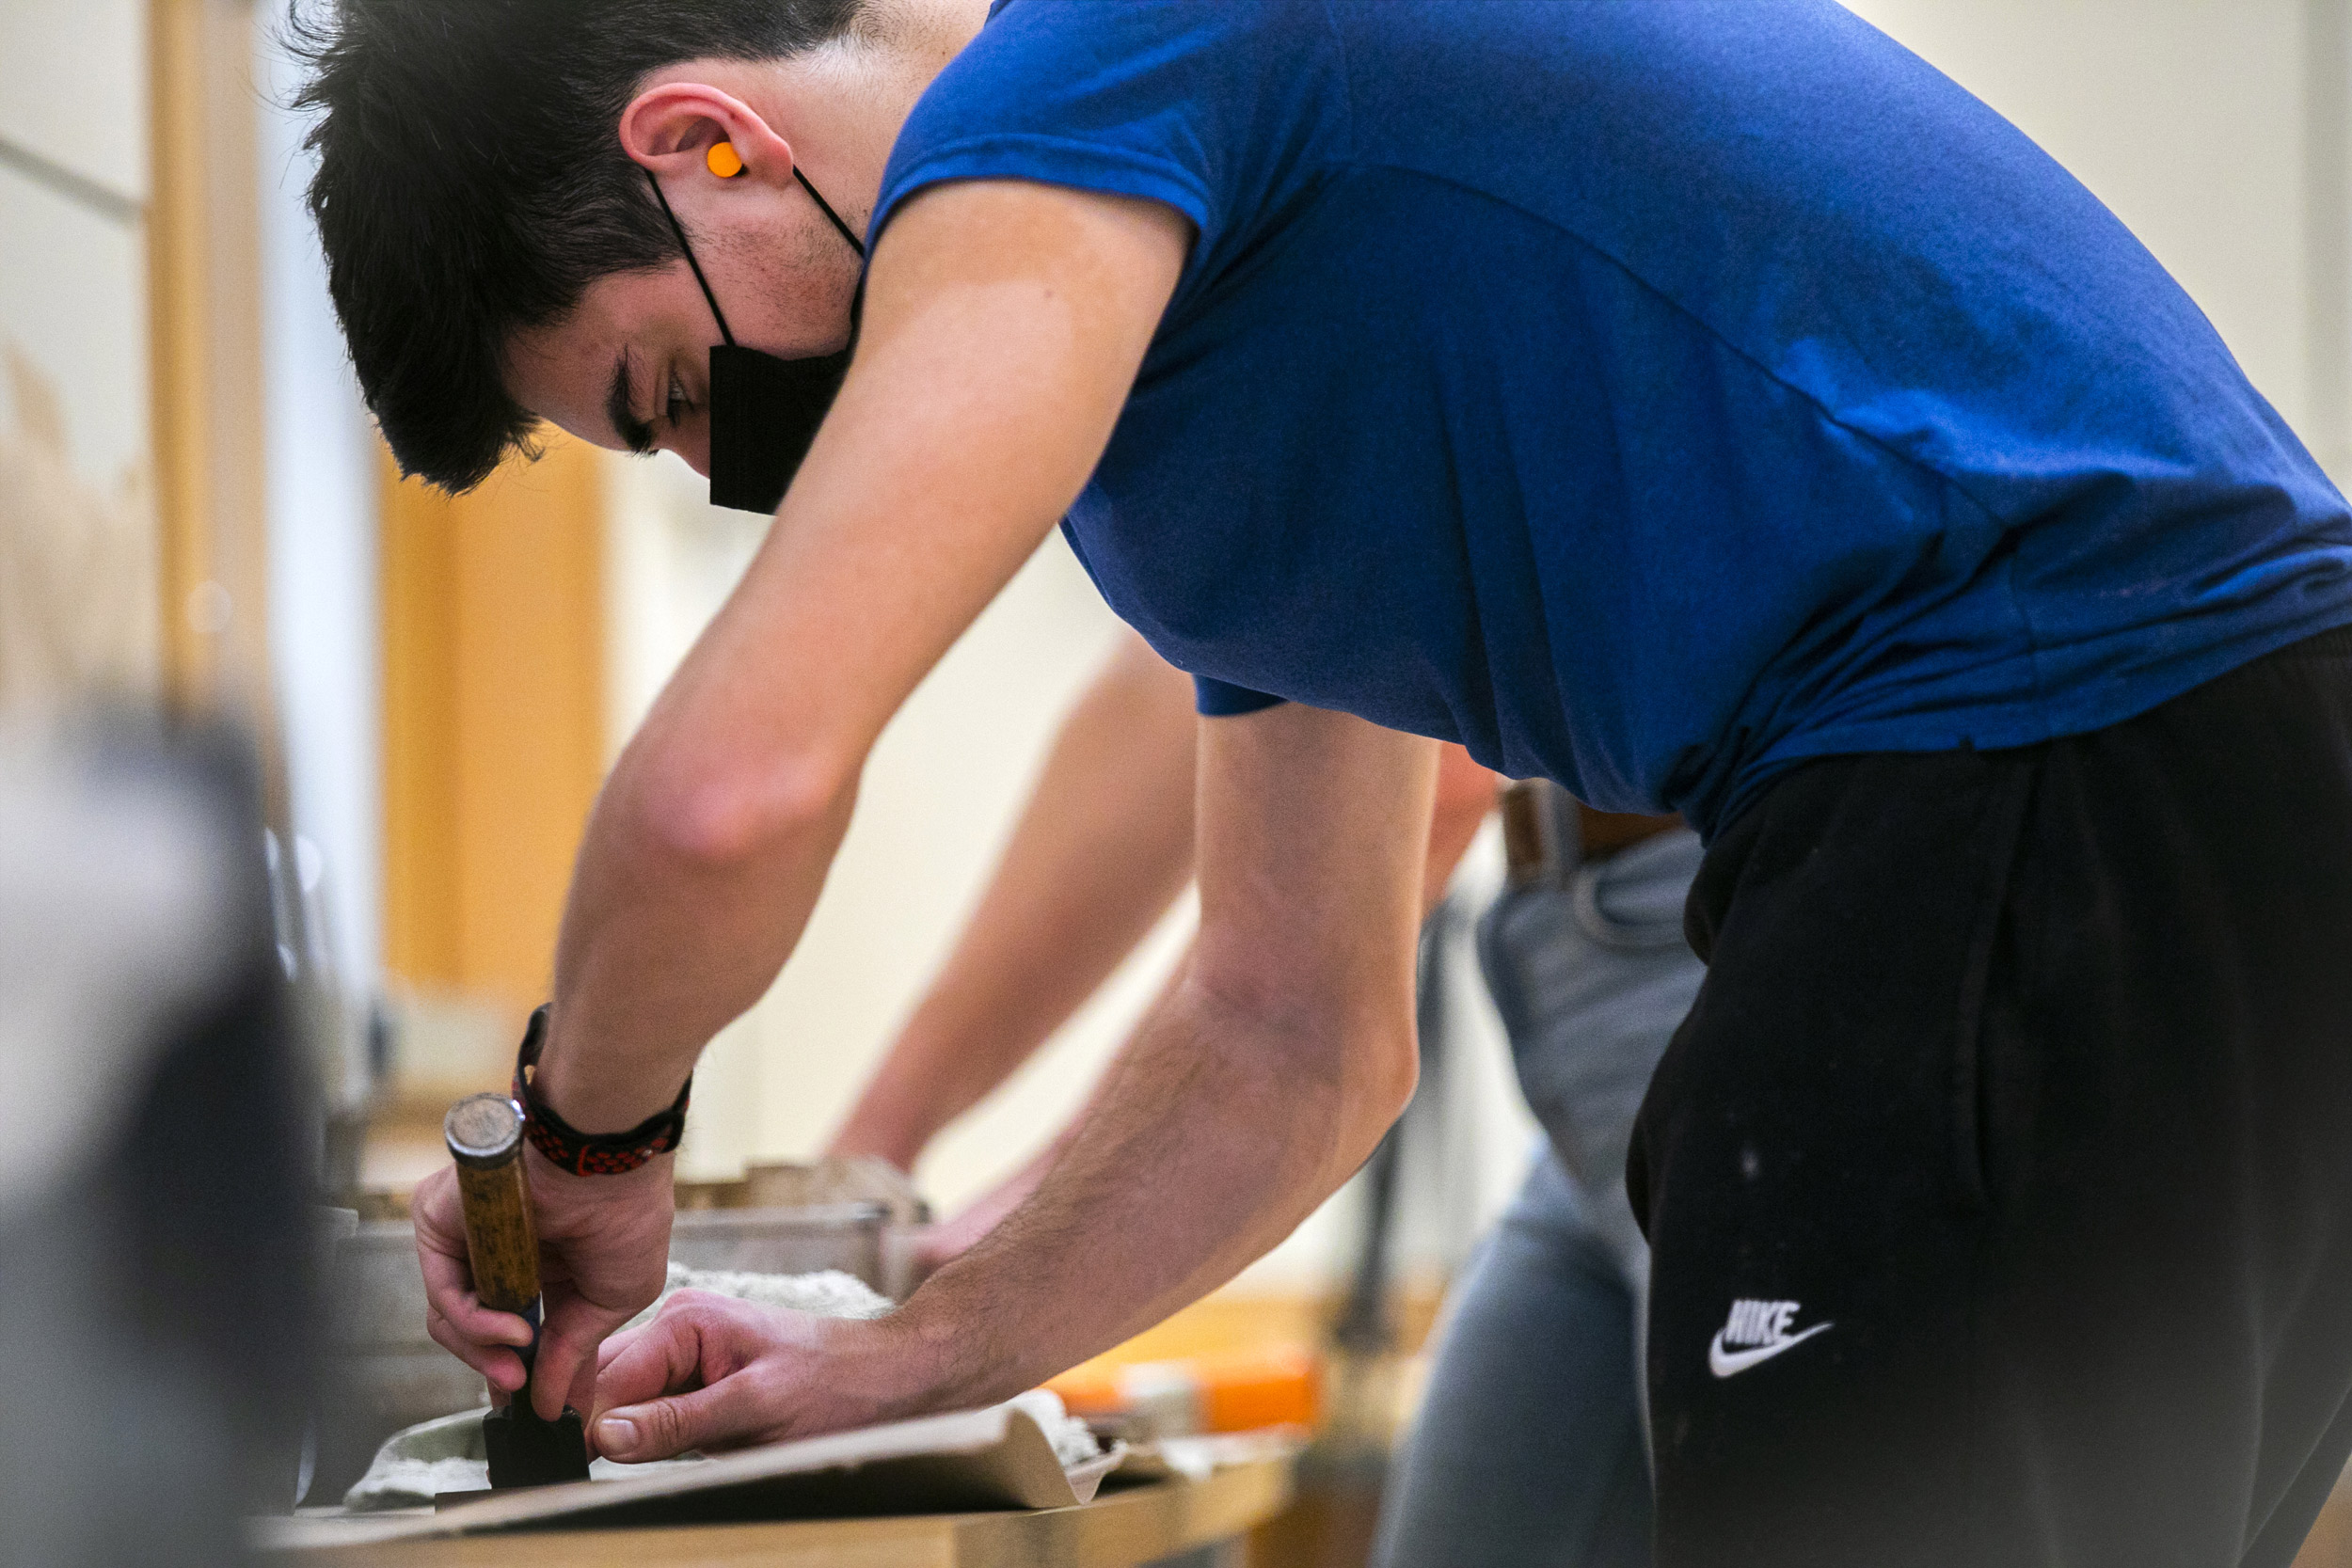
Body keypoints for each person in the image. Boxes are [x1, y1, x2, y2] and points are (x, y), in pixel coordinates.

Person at [296, 2, 2352, 1561]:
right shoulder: (1224, 362)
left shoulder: (1077, 73)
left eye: (665, 395)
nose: (707, 469)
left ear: (707, 146)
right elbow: (1295, 1031)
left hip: (2038, 766)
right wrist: (885, 1355)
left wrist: (577, 1145)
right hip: (2167, 800)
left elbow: (726, 790)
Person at [825, 631, 1695, 1565]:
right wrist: (866, 1160)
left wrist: (1037, 1207)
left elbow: (1302, 989)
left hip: (1709, 930)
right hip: (1577, 947)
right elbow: (1193, 662)